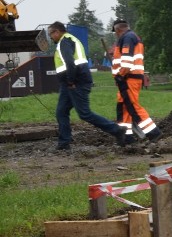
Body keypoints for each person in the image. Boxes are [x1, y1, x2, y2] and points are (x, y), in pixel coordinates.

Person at [47, 21, 125, 150]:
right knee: (61, 112)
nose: (50, 37)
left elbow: (70, 63)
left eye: (51, 34)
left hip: (75, 82)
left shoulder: (65, 42)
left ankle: (116, 130)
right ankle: (64, 143)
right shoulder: (70, 40)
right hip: (70, 83)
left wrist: (71, 81)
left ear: (57, 32)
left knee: (84, 113)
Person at [112, 19, 161, 143]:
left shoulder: (127, 38)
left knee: (132, 106)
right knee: (123, 107)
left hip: (128, 78)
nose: (116, 35)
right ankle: (125, 136)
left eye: (115, 33)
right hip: (129, 77)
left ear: (118, 30)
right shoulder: (132, 37)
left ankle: (153, 132)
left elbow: (127, 63)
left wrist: (120, 75)